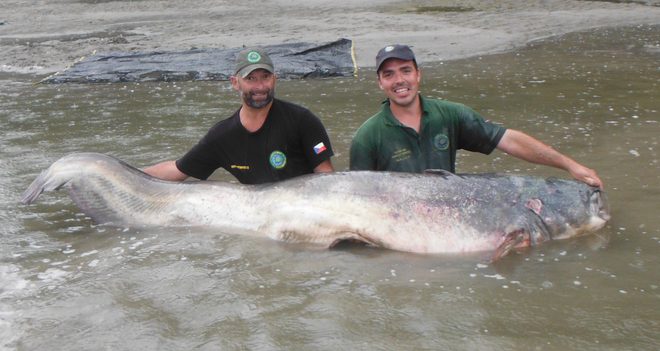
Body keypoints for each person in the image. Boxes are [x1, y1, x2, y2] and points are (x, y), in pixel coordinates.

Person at [349, 44, 603, 188]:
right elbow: (357, 194)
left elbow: (509, 140)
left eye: (406, 71)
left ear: (418, 75)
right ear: (380, 83)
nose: (399, 80)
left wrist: (571, 165)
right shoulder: (368, 135)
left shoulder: (449, 115)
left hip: (446, 213)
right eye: (389, 74)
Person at [144, 47, 334, 184]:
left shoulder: (302, 120)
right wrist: (123, 175)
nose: (260, 87)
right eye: (251, 79)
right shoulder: (222, 136)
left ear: (274, 79)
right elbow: (178, 170)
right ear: (235, 83)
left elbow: (326, 178)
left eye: (265, 77)